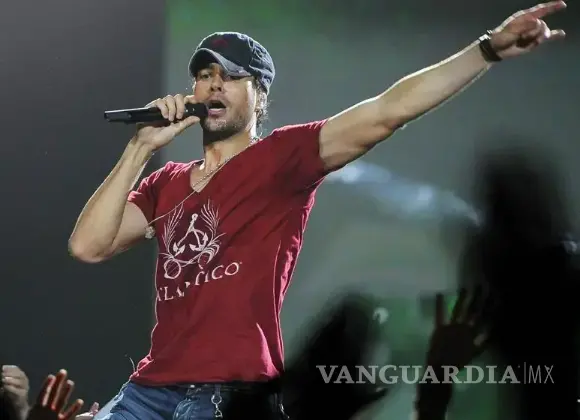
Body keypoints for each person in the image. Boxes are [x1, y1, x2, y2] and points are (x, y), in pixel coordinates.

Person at [68, 2, 567, 419]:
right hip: (148, 392)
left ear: (259, 96)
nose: (215, 85)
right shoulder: (166, 183)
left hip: (230, 396)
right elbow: (88, 246)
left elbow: (387, 110)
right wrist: (141, 146)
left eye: (233, 76)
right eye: (205, 75)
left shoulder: (282, 157)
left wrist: (486, 49)